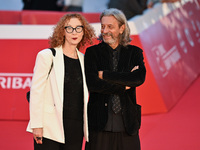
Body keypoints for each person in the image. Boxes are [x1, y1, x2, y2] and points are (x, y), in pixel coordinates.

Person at [26, 13, 95, 150]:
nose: (74, 32)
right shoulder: (47, 56)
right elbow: (36, 92)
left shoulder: (85, 60)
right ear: (62, 31)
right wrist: (37, 126)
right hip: (49, 127)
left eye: (78, 28)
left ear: (84, 31)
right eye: (69, 28)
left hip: (76, 128)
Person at [84, 8, 146, 150]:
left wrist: (105, 75)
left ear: (121, 28)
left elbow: (138, 78)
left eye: (110, 27)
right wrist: (124, 85)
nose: (104, 31)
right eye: (103, 26)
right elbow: (93, 84)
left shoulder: (134, 53)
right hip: (98, 124)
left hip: (127, 124)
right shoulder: (92, 53)